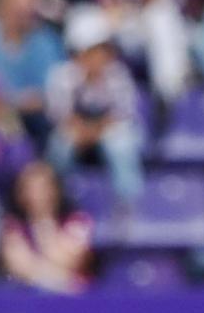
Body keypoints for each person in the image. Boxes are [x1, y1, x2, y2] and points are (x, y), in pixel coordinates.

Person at [44, 13, 144, 202]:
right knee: (60, 145)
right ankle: (58, 199)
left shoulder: (118, 74)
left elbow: (122, 114)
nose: (99, 57)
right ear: (79, 52)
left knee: (121, 144)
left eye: (103, 50)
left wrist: (94, 131)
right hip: (76, 129)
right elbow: (60, 115)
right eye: (93, 51)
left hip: (108, 129)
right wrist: (82, 131)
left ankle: (129, 202)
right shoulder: (62, 76)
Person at [0, 160, 93, 294]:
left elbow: (67, 260)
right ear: (20, 193)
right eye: (30, 188)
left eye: (43, 187)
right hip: (29, 299)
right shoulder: (12, 226)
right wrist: (62, 282)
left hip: (76, 300)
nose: (37, 194)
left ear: (55, 190)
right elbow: (19, 266)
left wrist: (44, 221)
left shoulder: (78, 220)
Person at [0, 0, 68, 142]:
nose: (24, 10)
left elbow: (53, 93)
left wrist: (10, 101)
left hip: (37, 121)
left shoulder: (47, 41)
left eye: (30, 4)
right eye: (17, 5)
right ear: (2, 7)